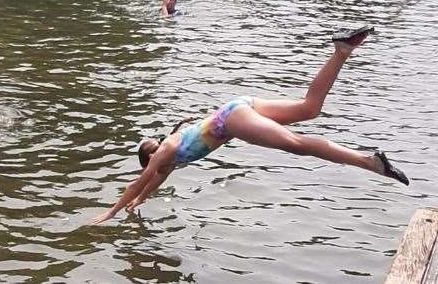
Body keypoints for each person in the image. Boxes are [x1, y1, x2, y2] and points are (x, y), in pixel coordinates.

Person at [90, 27, 410, 225]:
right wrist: (137, 205)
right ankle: (342, 50)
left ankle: (369, 162)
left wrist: (109, 214)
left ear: (152, 156)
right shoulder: (168, 161)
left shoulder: (168, 152)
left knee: (295, 144)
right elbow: (147, 187)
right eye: (153, 150)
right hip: (237, 107)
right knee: (309, 109)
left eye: (153, 149)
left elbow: (137, 183)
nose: (156, 151)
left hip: (231, 120)